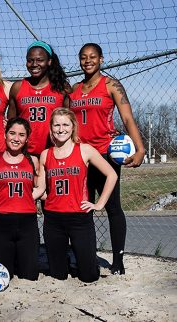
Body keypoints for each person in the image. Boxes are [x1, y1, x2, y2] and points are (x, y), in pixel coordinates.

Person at [69, 43, 145, 274]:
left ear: (101, 59)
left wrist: (140, 149)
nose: (88, 61)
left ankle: (118, 261)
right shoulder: (74, 88)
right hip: (81, 156)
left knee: (113, 208)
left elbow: (128, 118)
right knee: (83, 209)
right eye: (83, 57)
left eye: (93, 57)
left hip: (105, 154)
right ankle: (87, 256)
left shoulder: (111, 85)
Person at [35, 108, 117, 283]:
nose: (61, 129)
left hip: (80, 218)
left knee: (89, 276)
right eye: (57, 124)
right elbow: (41, 189)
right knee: (58, 275)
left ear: (73, 127)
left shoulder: (85, 150)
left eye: (65, 124)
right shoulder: (45, 154)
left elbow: (112, 175)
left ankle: (81, 263)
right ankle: (65, 264)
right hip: (54, 219)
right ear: (51, 128)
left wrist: (99, 203)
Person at [0, 117, 43, 281]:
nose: (16, 138)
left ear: (27, 139)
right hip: (1, 222)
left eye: (21, 135)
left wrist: (26, 199)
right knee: (3, 276)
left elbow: (40, 187)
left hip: (27, 222)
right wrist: (1, 200)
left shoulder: (33, 160)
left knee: (30, 276)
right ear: (5, 134)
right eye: (12, 133)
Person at [8, 40, 71, 156]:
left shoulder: (62, 88)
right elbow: (11, 124)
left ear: (49, 61)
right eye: (30, 60)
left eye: (40, 60)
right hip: (24, 153)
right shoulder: (17, 87)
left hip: (54, 151)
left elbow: (71, 122)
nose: (34, 64)